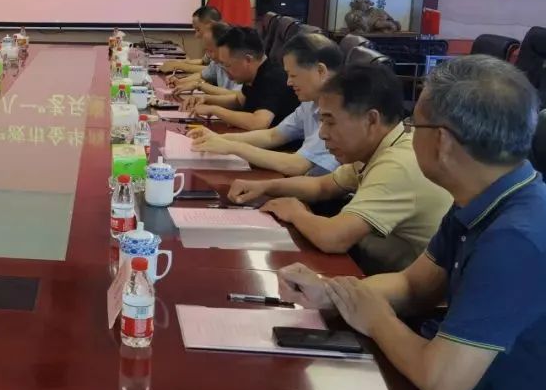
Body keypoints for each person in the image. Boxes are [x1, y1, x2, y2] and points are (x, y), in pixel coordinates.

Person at [278, 56, 546, 390]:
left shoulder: (516, 239)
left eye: (414, 124)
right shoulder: (484, 199)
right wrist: (333, 291)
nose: (407, 132)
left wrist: (375, 317)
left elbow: (441, 379)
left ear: (441, 140)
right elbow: (413, 284)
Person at [229, 64, 451, 275]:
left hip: (414, 291)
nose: (323, 133)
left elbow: (333, 238)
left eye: (330, 122)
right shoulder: (379, 146)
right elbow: (321, 186)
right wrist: (265, 186)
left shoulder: (397, 164)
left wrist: (296, 212)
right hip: (383, 267)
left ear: (371, 119)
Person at [188, 33, 342, 176]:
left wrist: (233, 147)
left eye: (293, 75)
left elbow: (297, 165)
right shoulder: (310, 103)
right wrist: (220, 138)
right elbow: (272, 135)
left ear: (320, 71)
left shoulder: (340, 109)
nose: (288, 82)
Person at [180, 26, 299, 131]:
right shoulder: (254, 73)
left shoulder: (273, 78)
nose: (225, 72)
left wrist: (214, 110)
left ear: (247, 60)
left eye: (227, 65)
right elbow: (238, 101)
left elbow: (258, 123)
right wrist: (206, 99)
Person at [171, 21, 241, 97]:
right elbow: (203, 75)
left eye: (211, 50)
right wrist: (180, 81)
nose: (209, 56)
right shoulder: (216, 62)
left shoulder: (240, 65)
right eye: (206, 50)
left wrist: (200, 86)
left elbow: (237, 96)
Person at [157, 5, 222, 74]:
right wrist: (178, 62)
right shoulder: (213, 42)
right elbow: (203, 61)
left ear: (211, 26)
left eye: (198, 30)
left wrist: (178, 66)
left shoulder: (225, 44)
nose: (196, 35)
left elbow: (213, 71)